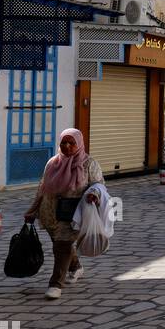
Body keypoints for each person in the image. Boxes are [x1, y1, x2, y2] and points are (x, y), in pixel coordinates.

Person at [24, 128, 104, 301]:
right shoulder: (53, 163)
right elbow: (42, 188)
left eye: (71, 143)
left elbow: (99, 185)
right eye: (63, 142)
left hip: (72, 213)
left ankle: (55, 284)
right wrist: (32, 210)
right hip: (50, 212)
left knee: (62, 245)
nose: (67, 146)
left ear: (79, 144)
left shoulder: (88, 164)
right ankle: (75, 267)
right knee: (60, 245)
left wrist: (94, 195)